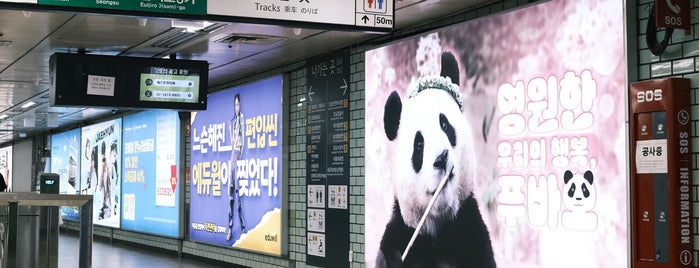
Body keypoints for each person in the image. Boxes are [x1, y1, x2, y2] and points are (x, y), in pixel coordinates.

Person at [227, 93, 246, 241]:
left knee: (237, 196)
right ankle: (231, 228)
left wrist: (240, 153)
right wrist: (229, 129)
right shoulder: (234, 122)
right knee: (231, 196)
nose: (237, 107)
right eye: (235, 105)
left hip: (238, 155)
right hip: (234, 155)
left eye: (238, 104)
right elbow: (232, 144)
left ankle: (242, 226)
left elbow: (243, 140)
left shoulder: (242, 119)